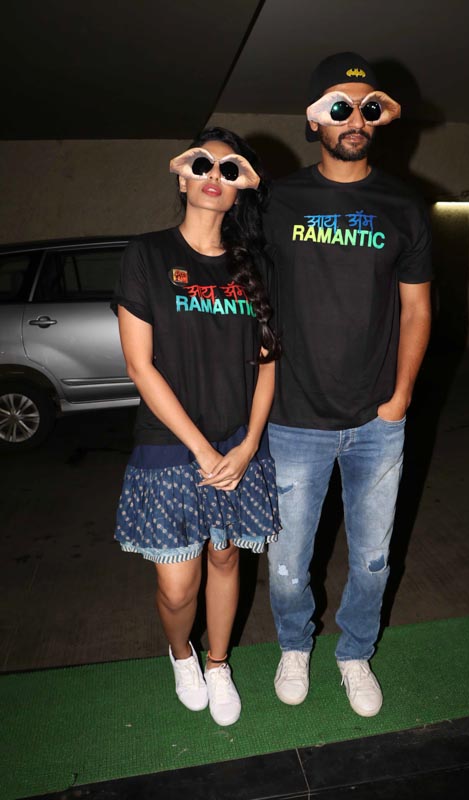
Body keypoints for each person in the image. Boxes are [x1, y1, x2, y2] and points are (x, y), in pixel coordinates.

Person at [264, 52, 432, 716]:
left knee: (372, 560)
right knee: (286, 565)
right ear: (313, 120)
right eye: (338, 107)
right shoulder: (276, 201)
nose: (354, 119)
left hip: (375, 421)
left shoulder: (403, 205)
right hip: (292, 418)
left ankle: (355, 651)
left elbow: (416, 308)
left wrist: (400, 396)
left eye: (368, 107)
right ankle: (294, 644)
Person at [113, 127, 281, 727]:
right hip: (170, 444)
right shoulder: (147, 255)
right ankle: (181, 653)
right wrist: (203, 450)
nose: (215, 175)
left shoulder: (255, 265)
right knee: (177, 586)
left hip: (237, 444)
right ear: (182, 176)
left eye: (231, 170)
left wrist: (250, 444)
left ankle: (217, 662)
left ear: (240, 190)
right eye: (203, 164)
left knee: (226, 559)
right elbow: (140, 366)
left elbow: (268, 363)